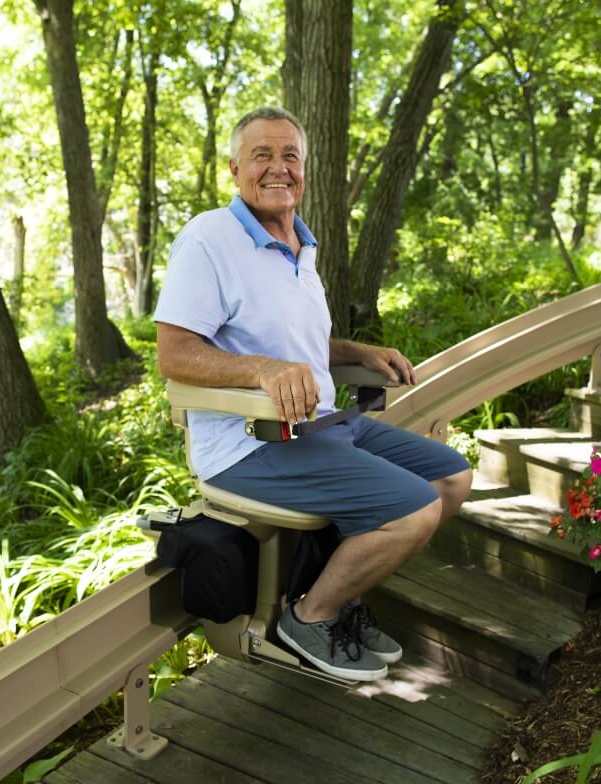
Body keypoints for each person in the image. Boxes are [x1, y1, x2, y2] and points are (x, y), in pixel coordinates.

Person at [154, 106, 473, 681]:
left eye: (290, 156)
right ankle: (308, 619)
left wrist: (355, 353)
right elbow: (174, 355)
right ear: (234, 170)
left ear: (305, 169)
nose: (278, 167)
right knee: (413, 509)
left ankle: (341, 597)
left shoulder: (301, 245)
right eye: (262, 155)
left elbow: (293, 344)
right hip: (250, 443)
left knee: (449, 479)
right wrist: (263, 371)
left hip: (321, 425)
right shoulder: (209, 239)